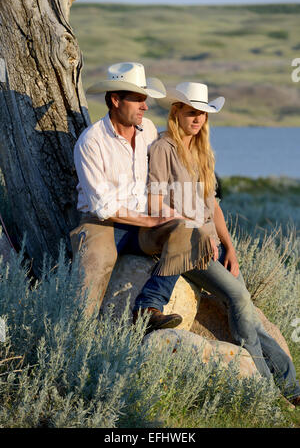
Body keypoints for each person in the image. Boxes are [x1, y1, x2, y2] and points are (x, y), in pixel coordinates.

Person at [137, 81, 300, 406]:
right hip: (185, 244)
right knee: (238, 296)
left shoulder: (201, 152)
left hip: (213, 246)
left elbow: (213, 207)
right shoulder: (162, 149)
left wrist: (231, 248)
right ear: (177, 111)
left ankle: (290, 387)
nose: (197, 120)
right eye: (192, 112)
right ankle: (264, 389)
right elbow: (155, 203)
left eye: (203, 114)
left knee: (247, 313)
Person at [70, 61, 184, 334]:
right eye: (138, 100)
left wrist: (170, 213)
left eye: (145, 100)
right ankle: (79, 336)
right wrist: (149, 220)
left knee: (184, 229)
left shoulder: (148, 134)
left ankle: (149, 306)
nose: (145, 106)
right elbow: (103, 206)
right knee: (97, 259)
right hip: (102, 222)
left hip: (143, 220)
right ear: (115, 100)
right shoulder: (91, 142)